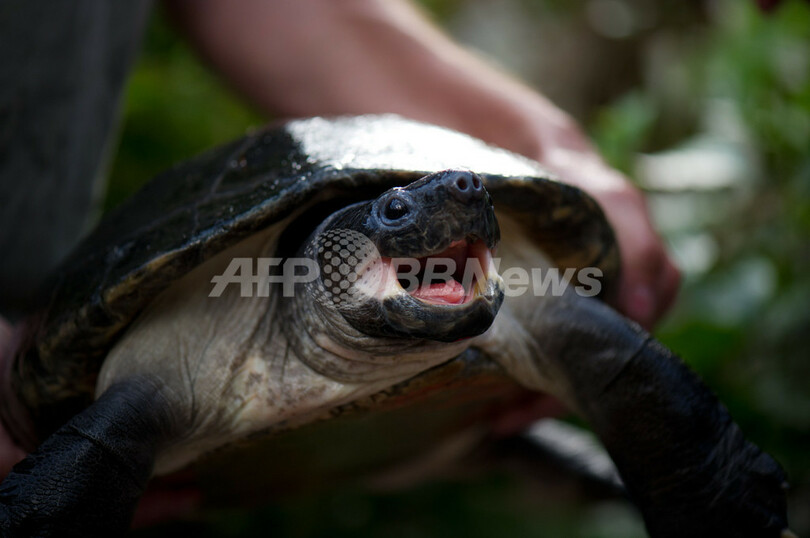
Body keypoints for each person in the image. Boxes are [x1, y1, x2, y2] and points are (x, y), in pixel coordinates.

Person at [0, 0, 679, 525]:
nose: (470, 201)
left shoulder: (491, 284)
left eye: (477, 219)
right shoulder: (174, 357)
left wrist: (535, 143)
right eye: (393, 215)